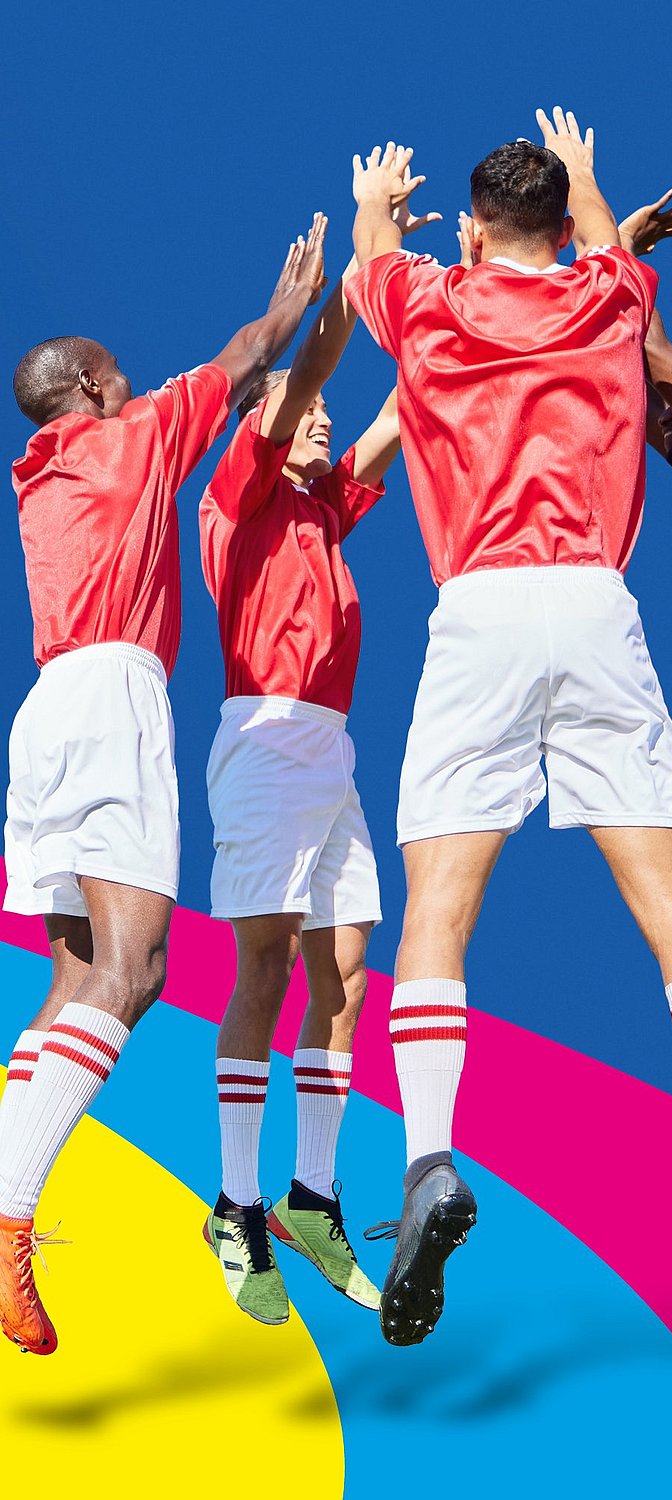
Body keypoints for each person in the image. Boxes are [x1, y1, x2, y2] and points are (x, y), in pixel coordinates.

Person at [345, 117, 672, 1347]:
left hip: (477, 610)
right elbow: (606, 251)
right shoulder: (609, 295)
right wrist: (594, 186)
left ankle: (431, 1160)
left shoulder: (425, 305)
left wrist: (377, 195)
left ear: (477, 230)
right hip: (597, 609)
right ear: (562, 227)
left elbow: (373, 249)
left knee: (437, 904)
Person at [0, 217, 328, 1356]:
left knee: (74, 981)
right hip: (111, 708)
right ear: (90, 385)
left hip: (40, 720)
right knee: (135, 972)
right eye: (119, 372)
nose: (135, 379)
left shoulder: (36, 474)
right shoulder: (128, 438)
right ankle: (7, 1219)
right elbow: (241, 362)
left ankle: (11, 1166)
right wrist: (291, 305)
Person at [198, 201, 438, 1326]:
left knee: (344, 970)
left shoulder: (322, 509)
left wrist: (456, 290)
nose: (320, 421)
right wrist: (362, 257)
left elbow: (395, 416)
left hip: (330, 754)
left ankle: (309, 1194)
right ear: (263, 422)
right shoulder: (238, 494)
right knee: (264, 968)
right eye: (303, 414)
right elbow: (317, 369)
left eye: (319, 416)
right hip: (262, 738)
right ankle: (234, 1203)